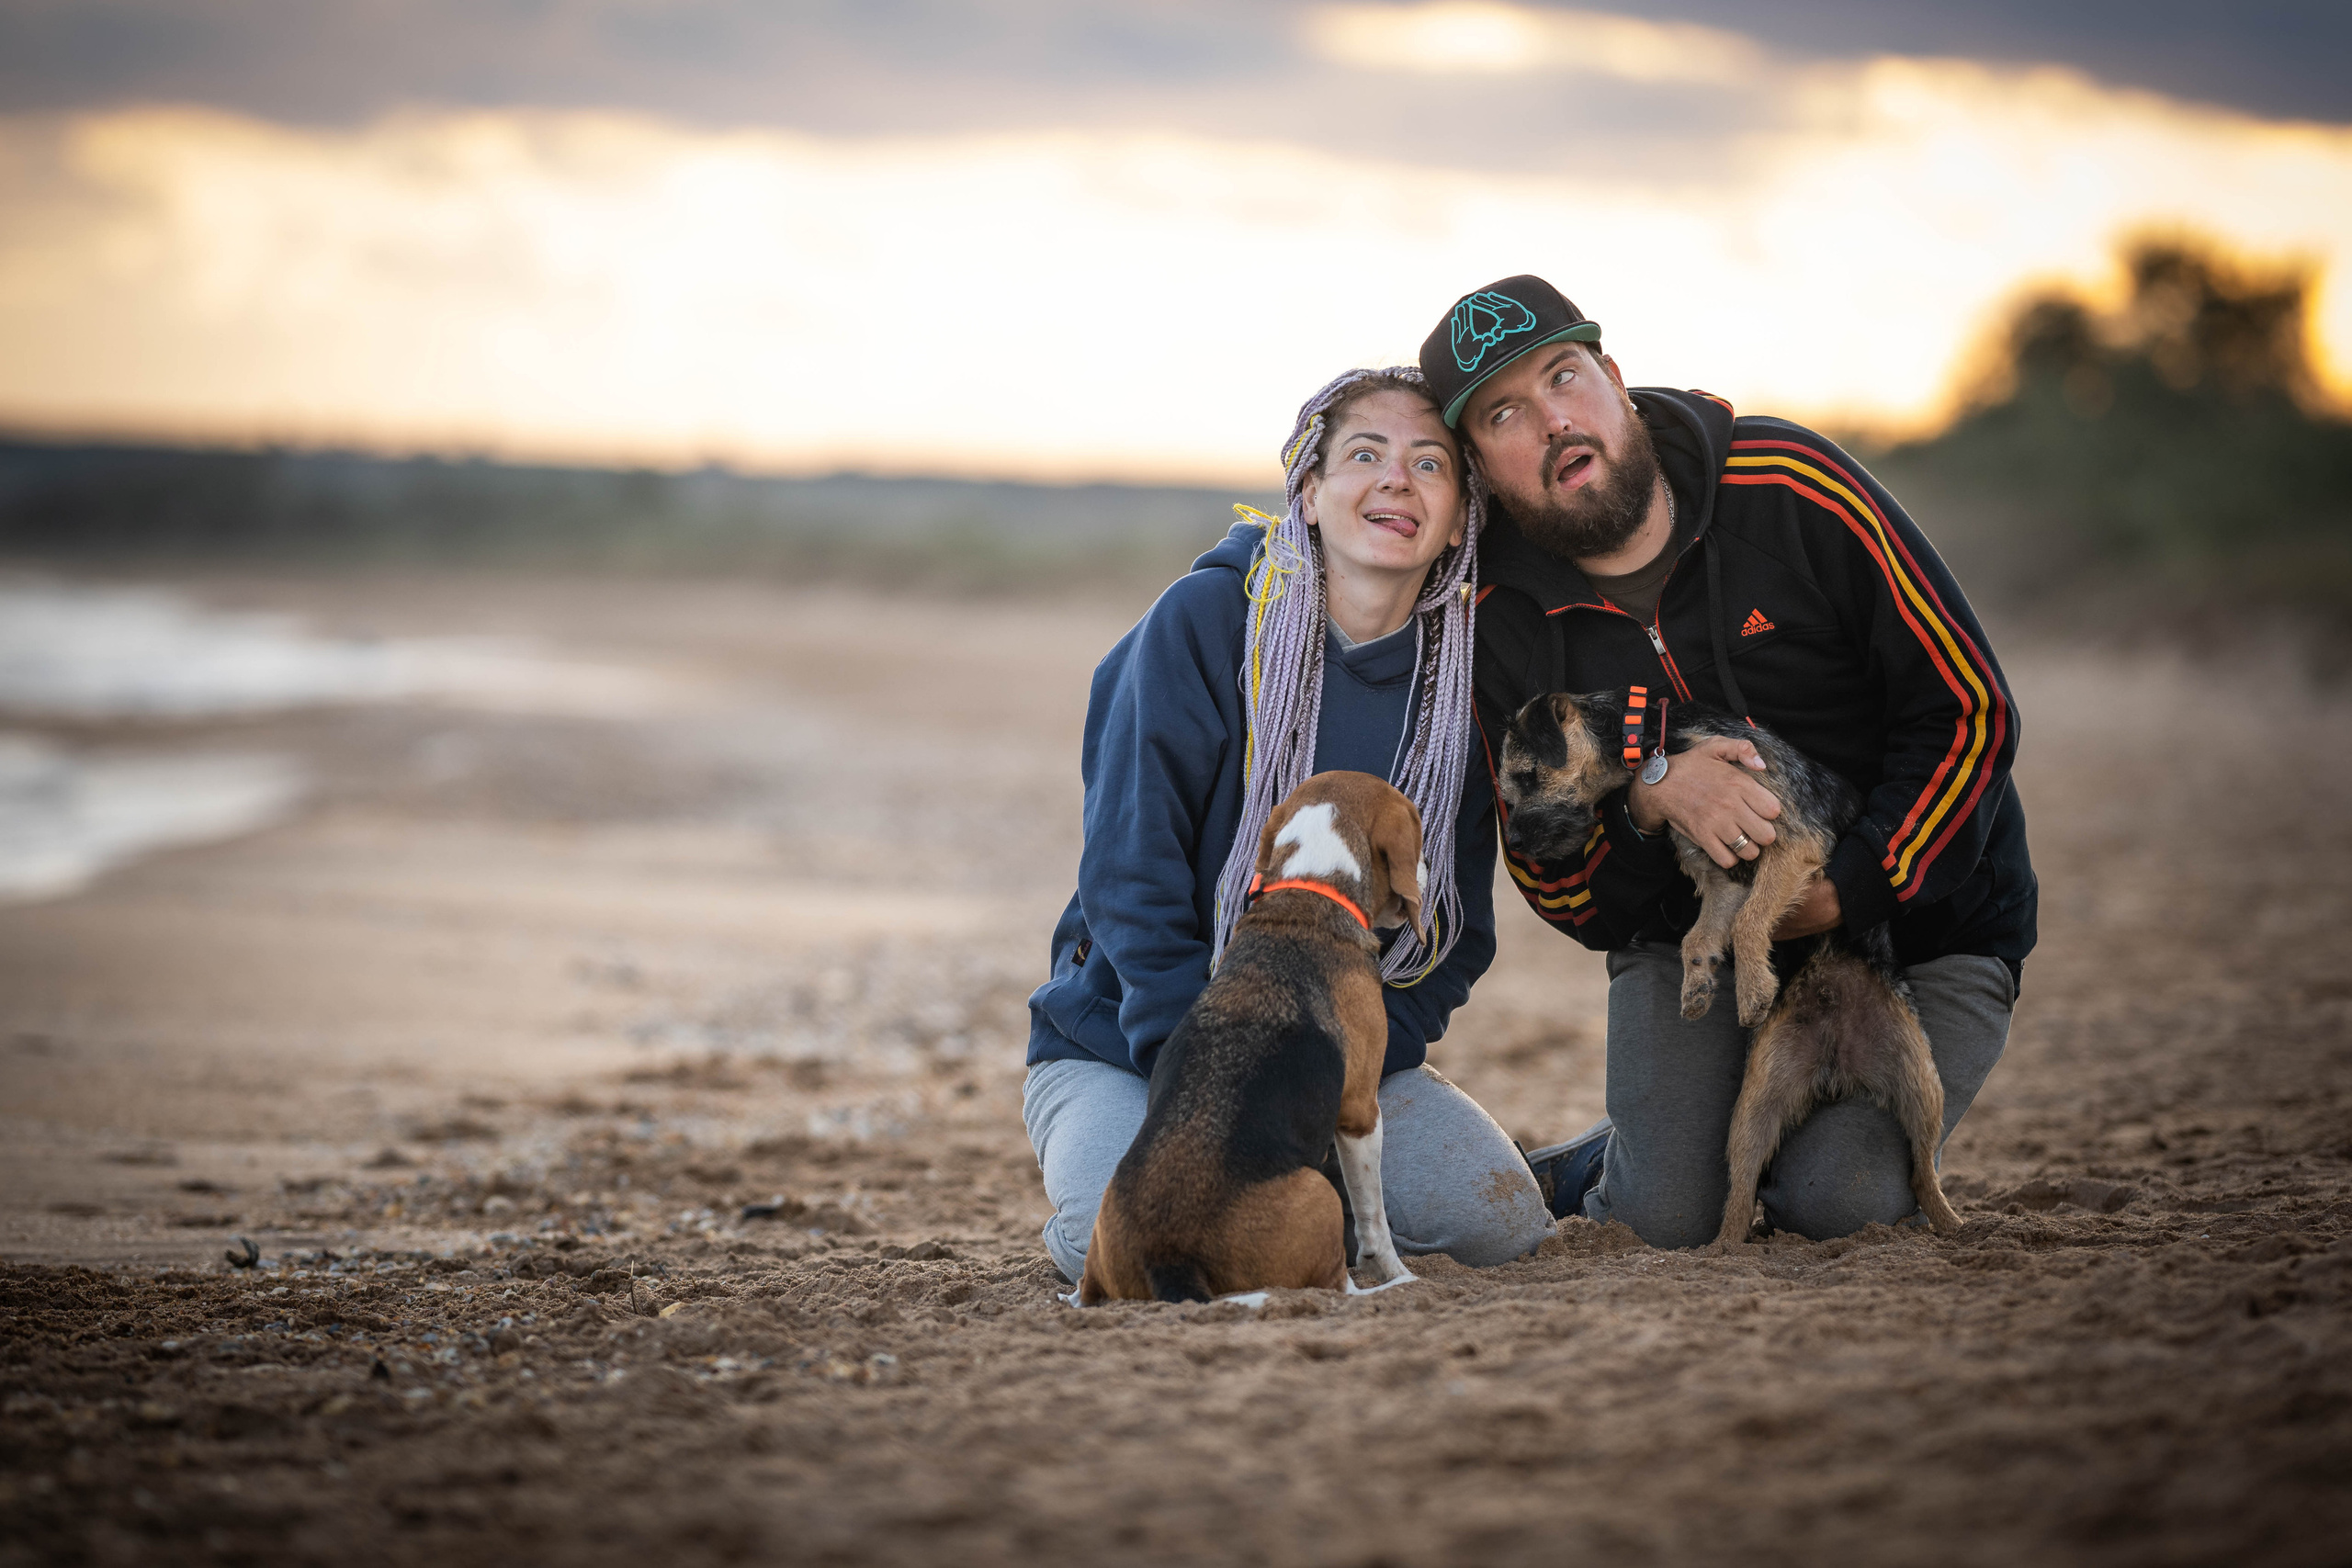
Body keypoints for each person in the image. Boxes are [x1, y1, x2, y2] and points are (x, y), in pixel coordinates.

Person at [1419, 276, 2037, 1247]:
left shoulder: (1788, 485)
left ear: (1615, 382)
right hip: (1692, 934)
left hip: (1922, 925)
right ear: (1481, 467)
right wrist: (1650, 801)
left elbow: (1968, 710)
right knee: (1668, 1216)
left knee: (1836, 1204)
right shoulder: (1500, 621)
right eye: (1505, 414)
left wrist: (1854, 887)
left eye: (1565, 377)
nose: (1552, 422)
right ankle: (1615, 1161)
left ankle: (1720, 1143)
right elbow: (1556, 880)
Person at [1023, 367, 1555, 1285]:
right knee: (1109, 1253)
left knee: (1495, 1221)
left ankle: (1530, 1167)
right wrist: (1209, 1082)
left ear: (1460, 515)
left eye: (1430, 464)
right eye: (1365, 454)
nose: (1397, 480)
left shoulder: (1463, 687)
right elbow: (1128, 880)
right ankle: (1306, 1198)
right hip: (1129, 1044)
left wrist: (1331, 1073)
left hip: (1330, 1047)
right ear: (1307, 493)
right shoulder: (1204, 621)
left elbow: (1454, 930)